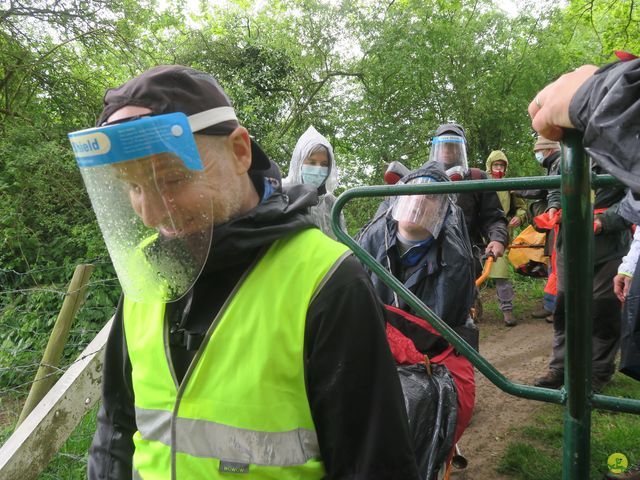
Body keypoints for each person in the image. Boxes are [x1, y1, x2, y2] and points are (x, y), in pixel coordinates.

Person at [71, 65, 420, 479]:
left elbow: (374, 465)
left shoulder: (328, 281)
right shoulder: (148, 272)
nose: (150, 214)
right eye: (133, 187)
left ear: (240, 151)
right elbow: (115, 428)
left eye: (172, 178)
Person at [529, 54, 640, 480]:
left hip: (607, 246)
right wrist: (556, 211)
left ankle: (595, 373)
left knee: (600, 308)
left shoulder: (612, 149)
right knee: (564, 307)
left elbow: (632, 199)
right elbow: (554, 194)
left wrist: (602, 220)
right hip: (569, 247)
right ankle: (560, 369)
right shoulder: (561, 158)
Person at [355, 160, 476, 444]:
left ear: (444, 210)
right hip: (373, 346)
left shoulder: (455, 258)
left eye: (432, 197)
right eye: (414, 193)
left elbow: (443, 332)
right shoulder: (370, 239)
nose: (421, 201)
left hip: (423, 359)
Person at [429, 123, 508, 275]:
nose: (447, 149)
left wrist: (498, 239)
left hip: (466, 256)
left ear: (461, 150)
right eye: (443, 145)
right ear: (436, 149)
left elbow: (494, 217)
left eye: (453, 145)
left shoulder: (477, 178)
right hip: (428, 258)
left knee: (466, 297)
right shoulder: (423, 178)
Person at [485, 150, 528, 326]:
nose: (499, 168)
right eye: (496, 165)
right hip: (478, 234)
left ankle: (507, 309)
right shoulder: (480, 182)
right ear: (489, 166)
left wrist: (520, 216)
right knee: (469, 273)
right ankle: (471, 308)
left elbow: (521, 207)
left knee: (500, 273)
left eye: (502, 165)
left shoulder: (510, 185)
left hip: (500, 234)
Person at [284, 126, 346, 240]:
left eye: (323, 164)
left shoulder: (331, 203)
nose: (318, 169)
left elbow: (343, 242)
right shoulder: (282, 196)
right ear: (299, 163)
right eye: (312, 163)